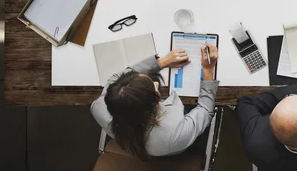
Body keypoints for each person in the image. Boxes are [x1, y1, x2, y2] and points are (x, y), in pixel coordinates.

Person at [91, 45, 219, 160]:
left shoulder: (99, 107)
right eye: (154, 87)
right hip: (171, 149)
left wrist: (163, 62)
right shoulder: (174, 133)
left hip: (135, 143)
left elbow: (116, 79)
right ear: (154, 103)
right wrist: (208, 70)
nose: (156, 83)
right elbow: (205, 110)